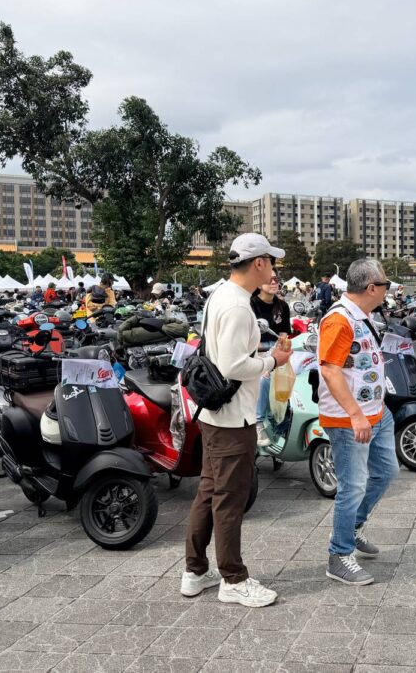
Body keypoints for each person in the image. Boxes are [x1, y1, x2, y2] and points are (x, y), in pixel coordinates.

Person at [182, 233, 289, 608]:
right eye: (271, 262)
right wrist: (272, 361)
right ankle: (233, 578)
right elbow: (232, 365)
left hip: (217, 414)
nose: (273, 269)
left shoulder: (222, 296)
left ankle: (195, 571)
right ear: (258, 263)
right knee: (229, 499)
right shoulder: (238, 307)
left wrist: (259, 355)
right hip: (232, 418)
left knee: (209, 492)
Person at [317, 258, 397, 586]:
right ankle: (339, 554)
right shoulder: (339, 319)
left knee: (386, 472)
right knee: (352, 487)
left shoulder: (360, 316)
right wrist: (355, 414)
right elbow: (330, 371)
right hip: (349, 420)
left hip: (376, 413)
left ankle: (351, 528)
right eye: (385, 284)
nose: (388, 290)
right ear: (371, 288)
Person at [250, 274, 290, 447]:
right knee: (265, 378)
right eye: (270, 279)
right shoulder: (251, 303)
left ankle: (281, 421)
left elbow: (283, 334)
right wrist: (267, 355)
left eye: (276, 279)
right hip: (255, 350)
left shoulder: (283, 306)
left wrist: (278, 350)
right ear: (259, 284)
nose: (274, 282)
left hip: (275, 348)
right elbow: (250, 338)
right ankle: (258, 423)